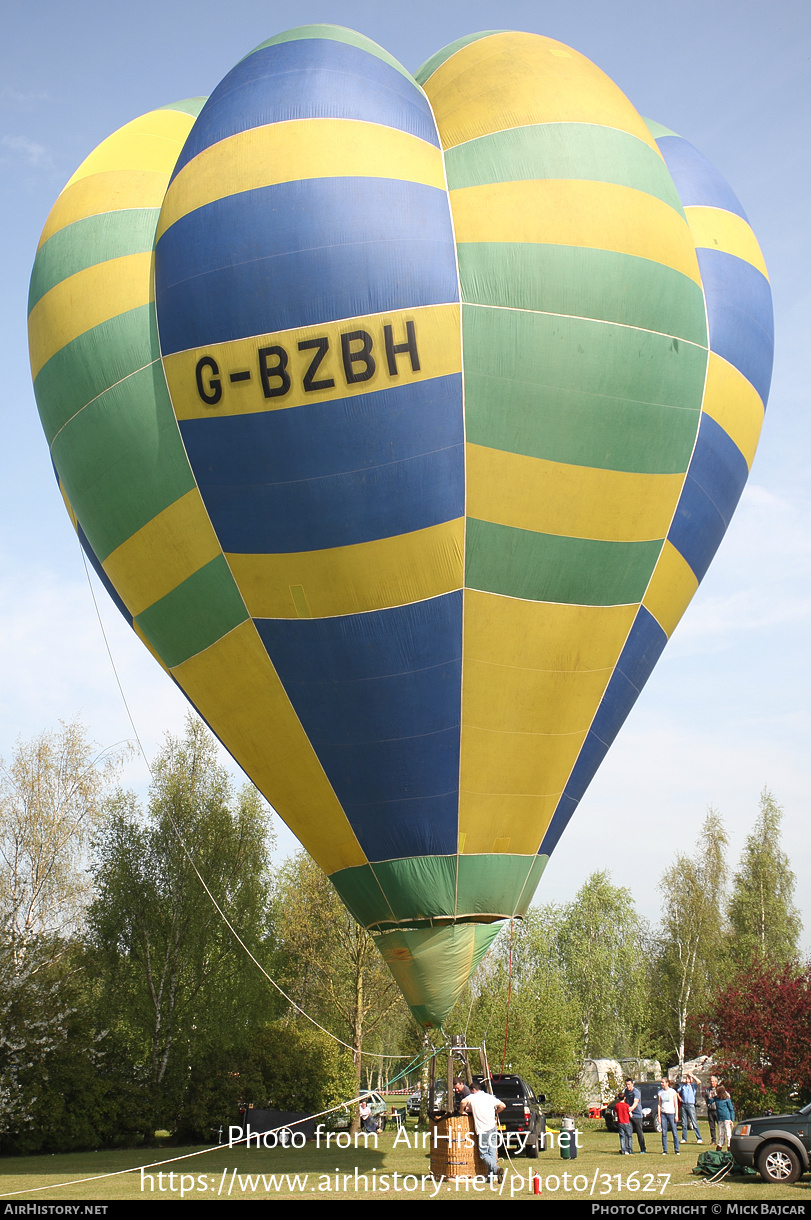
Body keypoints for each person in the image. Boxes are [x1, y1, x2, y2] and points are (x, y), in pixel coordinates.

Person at [460, 1082, 506, 1181]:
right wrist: (495, 1112)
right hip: (493, 1127)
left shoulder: (473, 1097)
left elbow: (463, 1102)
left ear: (473, 1090)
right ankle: (490, 1177)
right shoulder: (489, 1097)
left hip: (483, 1129)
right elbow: (503, 1106)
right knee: (492, 1152)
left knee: (484, 1154)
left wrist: (461, 1111)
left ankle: (496, 1169)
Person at [657, 1077, 680, 1154]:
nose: (662, 1084)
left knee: (674, 1132)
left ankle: (676, 1149)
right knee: (664, 1132)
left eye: (663, 1082)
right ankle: (665, 1150)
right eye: (661, 1082)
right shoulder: (660, 1092)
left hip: (671, 1113)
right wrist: (659, 1116)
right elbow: (659, 1105)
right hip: (663, 1114)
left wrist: (676, 1115)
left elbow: (676, 1104)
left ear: (667, 1083)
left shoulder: (672, 1092)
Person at [678, 1073, 703, 1143]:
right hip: (684, 1105)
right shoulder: (683, 1086)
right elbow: (677, 1092)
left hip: (691, 1105)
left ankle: (699, 1138)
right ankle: (684, 1138)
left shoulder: (693, 1086)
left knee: (694, 1122)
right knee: (684, 1123)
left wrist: (692, 1076)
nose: (687, 1080)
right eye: (686, 1078)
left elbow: (699, 1082)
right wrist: (680, 1098)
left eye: (688, 1078)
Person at [623, 1078, 646, 1153]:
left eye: (629, 1084)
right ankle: (627, 1149)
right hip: (629, 1115)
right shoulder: (626, 1091)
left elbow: (636, 1102)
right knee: (627, 1132)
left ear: (632, 1084)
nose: (628, 1086)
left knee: (639, 1133)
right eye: (626, 1085)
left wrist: (630, 1109)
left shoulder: (636, 1092)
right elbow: (625, 1101)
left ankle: (643, 1149)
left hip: (637, 1115)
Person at [714, 1086, 735, 1151]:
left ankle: (729, 1147)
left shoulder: (727, 1099)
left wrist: (732, 1119)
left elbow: (731, 1109)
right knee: (721, 1133)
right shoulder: (716, 1099)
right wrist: (710, 1097)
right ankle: (720, 1146)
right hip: (720, 1118)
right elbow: (709, 1101)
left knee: (728, 1133)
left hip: (726, 1118)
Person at [704, 1075, 720, 1145]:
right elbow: (706, 1098)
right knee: (712, 1126)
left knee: (720, 1125)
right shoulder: (707, 1090)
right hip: (710, 1110)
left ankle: (721, 1139)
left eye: (713, 1081)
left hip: (718, 1110)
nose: (712, 1083)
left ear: (716, 1082)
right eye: (711, 1081)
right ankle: (713, 1140)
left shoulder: (719, 1089)